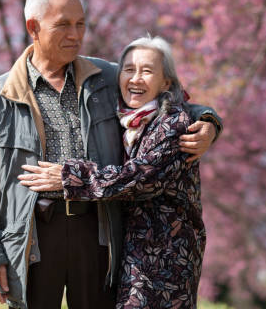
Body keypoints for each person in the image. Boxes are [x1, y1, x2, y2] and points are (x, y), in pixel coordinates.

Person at [0, 0, 222, 309]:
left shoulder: (107, 78)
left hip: (99, 231)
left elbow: (170, 96)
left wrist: (210, 122)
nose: (76, 34)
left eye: (80, 24)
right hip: (34, 237)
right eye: (64, 25)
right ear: (34, 27)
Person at [18, 35, 206, 309]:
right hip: (130, 254)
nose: (136, 79)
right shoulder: (129, 121)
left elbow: (140, 178)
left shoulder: (173, 123)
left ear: (166, 82)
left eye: (147, 71)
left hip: (165, 258)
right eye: (128, 69)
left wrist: (69, 177)